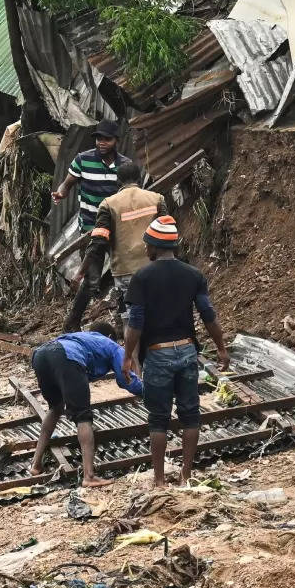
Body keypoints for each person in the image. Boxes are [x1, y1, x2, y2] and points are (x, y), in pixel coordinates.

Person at [123, 216, 229, 487]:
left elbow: (136, 323)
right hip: (186, 352)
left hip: (158, 354)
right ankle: (186, 476)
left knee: (159, 419)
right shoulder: (193, 275)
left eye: (147, 245)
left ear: (154, 246)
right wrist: (221, 348)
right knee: (190, 414)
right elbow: (208, 315)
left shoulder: (142, 277)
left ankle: (159, 480)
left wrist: (127, 356)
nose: (145, 250)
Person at [28, 322, 143, 488]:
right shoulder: (111, 344)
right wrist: (147, 391)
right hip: (67, 357)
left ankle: (35, 465)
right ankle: (89, 476)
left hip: (41, 355)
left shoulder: (82, 337)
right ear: (110, 336)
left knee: (55, 408)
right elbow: (126, 380)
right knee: (83, 416)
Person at [53, 120, 133, 332]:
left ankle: (124, 323)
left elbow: (132, 194)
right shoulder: (83, 160)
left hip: (117, 231)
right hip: (90, 230)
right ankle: (72, 322)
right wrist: (61, 193)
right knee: (91, 280)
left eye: (106, 139)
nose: (101, 143)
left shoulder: (125, 166)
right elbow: (67, 183)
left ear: (116, 140)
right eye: (99, 138)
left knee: (123, 276)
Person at [73, 162, 166, 330]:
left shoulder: (108, 204)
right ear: (139, 179)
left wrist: (80, 272)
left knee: (130, 318)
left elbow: (98, 242)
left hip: (125, 270)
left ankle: (133, 355)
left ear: (118, 181)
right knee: (159, 311)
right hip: (156, 267)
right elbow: (167, 232)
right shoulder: (157, 199)